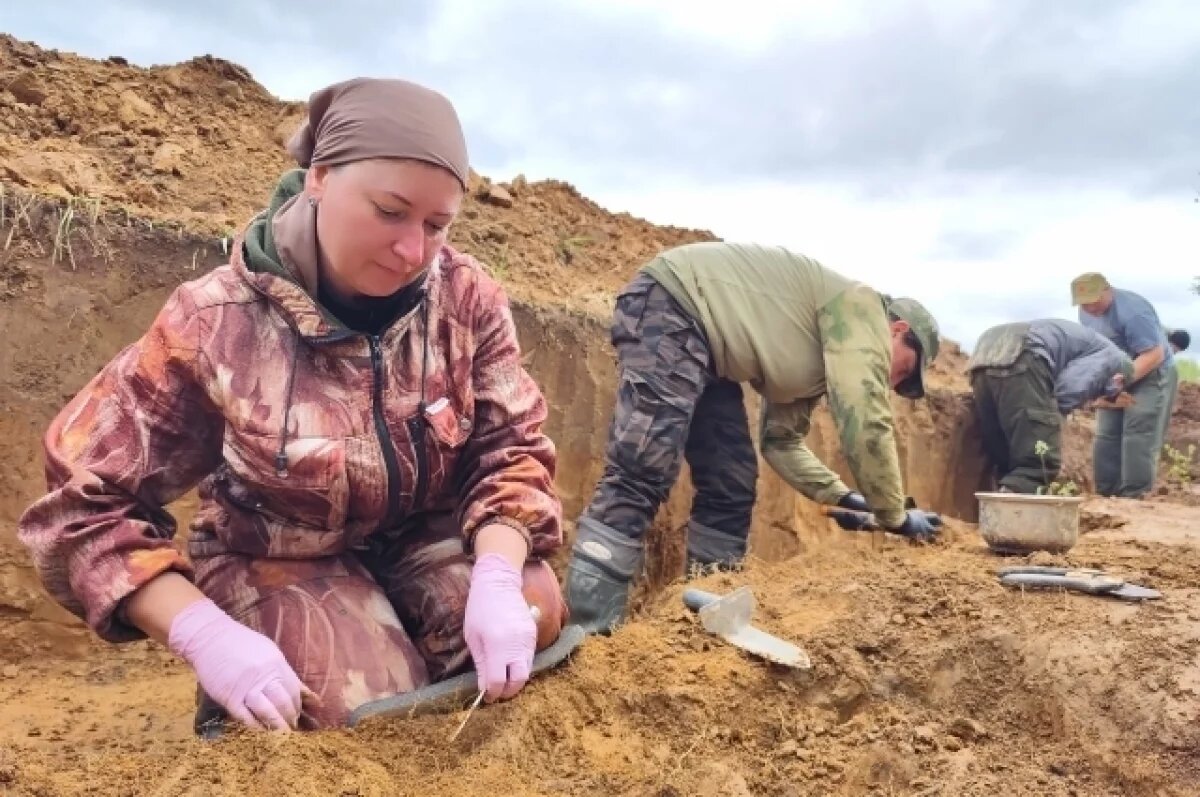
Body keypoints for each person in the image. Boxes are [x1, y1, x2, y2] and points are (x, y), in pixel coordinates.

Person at [17, 78, 565, 734]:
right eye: (390, 211)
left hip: (417, 533)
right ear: (320, 176)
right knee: (356, 706)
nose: (413, 251)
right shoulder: (216, 322)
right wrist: (204, 634)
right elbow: (84, 505)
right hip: (279, 551)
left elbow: (513, 448)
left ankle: (421, 639)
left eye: (437, 225)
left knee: (536, 606)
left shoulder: (467, 299)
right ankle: (241, 706)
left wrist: (499, 574)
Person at [562, 241, 941, 634]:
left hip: (708, 352)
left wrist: (844, 497)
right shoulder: (860, 308)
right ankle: (588, 629)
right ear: (896, 330)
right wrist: (893, 514)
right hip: (673, 306)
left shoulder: (814, 361)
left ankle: (701, 625)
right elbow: (864, 418)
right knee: (643, 467)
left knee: (732, 482)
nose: (893, 384)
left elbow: (782, 443)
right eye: (903, 371)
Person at [967, 319, 1132, 493]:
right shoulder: (1113, 358)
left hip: (984, 354)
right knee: (1038, 463)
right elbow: (1067, 392)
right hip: (1023, 352)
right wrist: (1052, 424)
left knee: (1007, 453)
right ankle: (1015, 511)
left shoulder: (1091, 344)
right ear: (1120, 379)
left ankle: (999, 502)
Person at [1072, 272, 1175, 497]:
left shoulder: (1134, 312)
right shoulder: (1087, 312)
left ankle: (1134, 497)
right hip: (1116, 373)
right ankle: (1105, 494)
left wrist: (1122, 380)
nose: (1089, 308)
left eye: (1093, 301)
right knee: (1107, 433)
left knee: (1136, 433)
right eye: (1083, 303)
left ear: (1107, 290)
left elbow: (1154, 354)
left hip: (1150, 372)